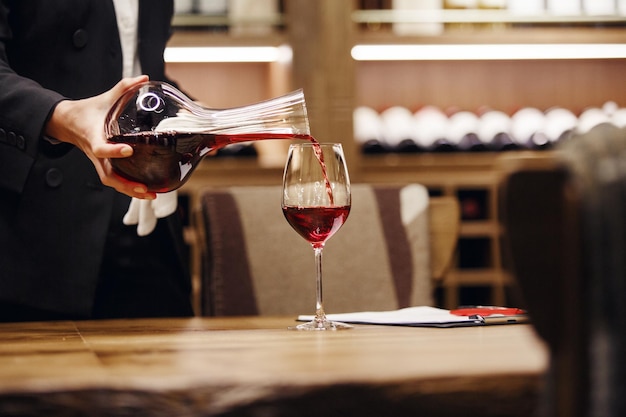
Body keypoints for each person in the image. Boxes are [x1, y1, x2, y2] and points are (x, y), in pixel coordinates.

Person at [0, 0, 194, 321]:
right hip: (35, 233)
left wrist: (199, 117)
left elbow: (132, 68)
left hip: (149, 225)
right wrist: (63, 116)